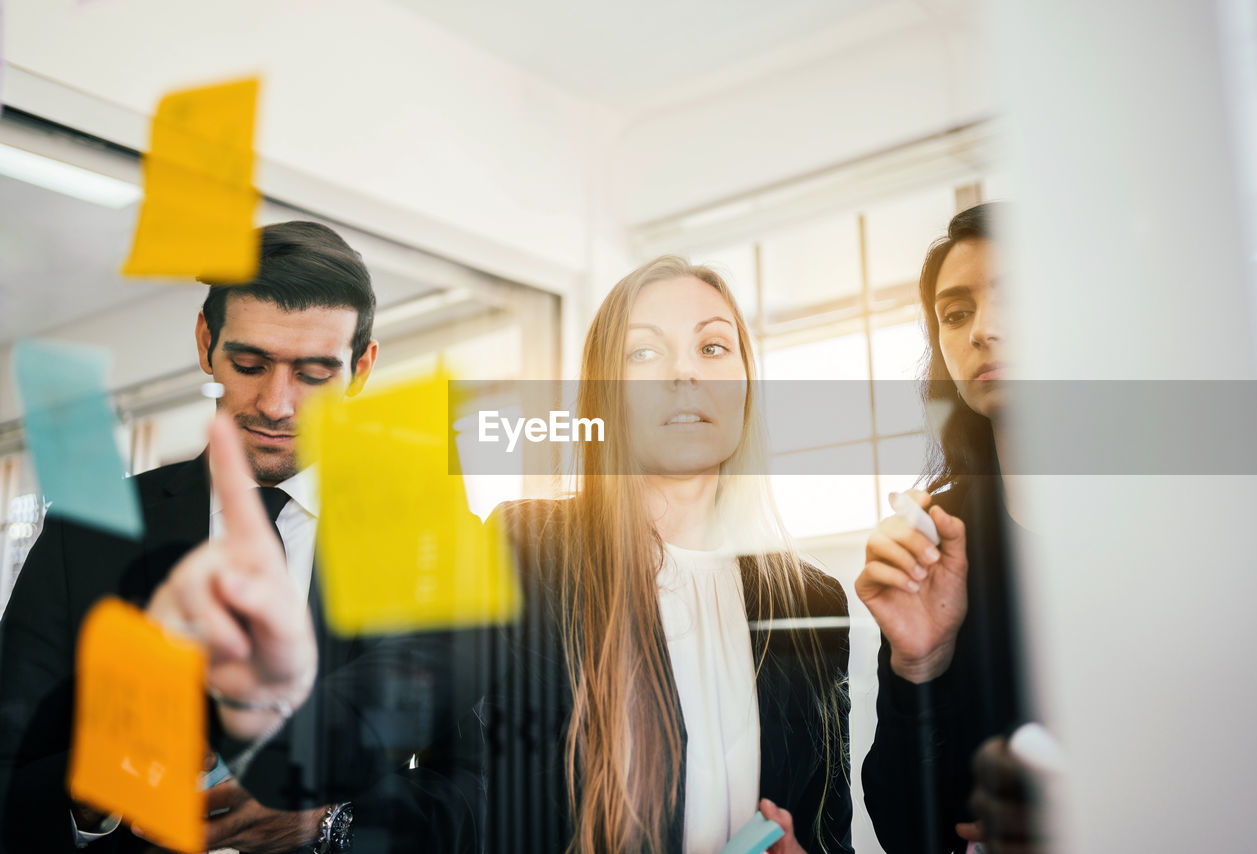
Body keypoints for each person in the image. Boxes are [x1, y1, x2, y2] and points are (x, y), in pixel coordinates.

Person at [152, 255, 856, 854]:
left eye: (712, 348)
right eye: (644, 353)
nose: (684, 375)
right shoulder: (529, 549)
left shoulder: (812, 600)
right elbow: (449, 750)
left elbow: (829, 828)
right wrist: (320, 805)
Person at [0, 221, 384, 854]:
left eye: (314, 374)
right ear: (207, 344)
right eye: (250, 364)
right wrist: (88, 791)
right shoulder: (88, 532)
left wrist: (332, 818)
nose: (277, 405)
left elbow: (475, 785)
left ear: (361, 368)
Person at [856, 203, 1045, 854]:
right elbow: (906, 832)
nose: (984, 330)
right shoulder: (936, 537)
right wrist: (919, 663)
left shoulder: (1192, 515)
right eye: (955, 313)